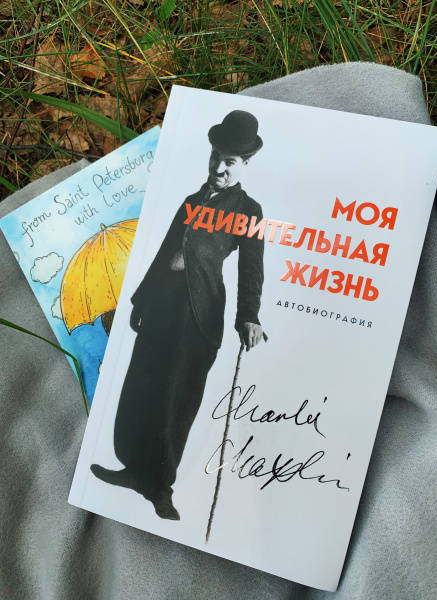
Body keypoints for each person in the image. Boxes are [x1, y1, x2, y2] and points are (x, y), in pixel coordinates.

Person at [90, 110, 265, 520]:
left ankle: (160, 488)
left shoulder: (250, 211)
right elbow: (163, 252)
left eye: (229, 162)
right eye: (215, 156)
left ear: (245, 164)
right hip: (161, 306)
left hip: (198, 315)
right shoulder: (190, 202)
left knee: (176, 398)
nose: (219, 168)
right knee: (142, 386)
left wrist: (249, 316)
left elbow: (251, 268)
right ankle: (134, 469)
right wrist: (140, 301)